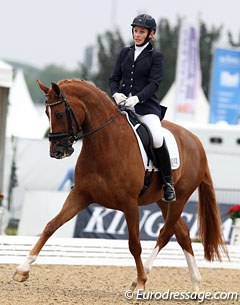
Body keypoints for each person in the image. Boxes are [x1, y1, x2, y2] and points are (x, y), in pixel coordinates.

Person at [109, 13, 176, 202]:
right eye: (136, 31)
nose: (137, 35)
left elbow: (155, 84)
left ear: (151, 34)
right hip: (122, 107)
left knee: (156, 137)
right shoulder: (124, 53)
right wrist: (116, 93)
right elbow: (114, 78)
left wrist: (137, 99)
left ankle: (167, 182)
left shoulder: (156, 56)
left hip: (146, 107)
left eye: (142, 32)